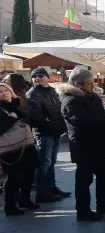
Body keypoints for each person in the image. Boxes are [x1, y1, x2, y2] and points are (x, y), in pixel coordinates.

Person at [59, 69, 105, 221]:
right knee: (84, 180)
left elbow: (98, 116)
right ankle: (83, 211)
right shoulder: (70, 100)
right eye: (90, 83)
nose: (93, 85)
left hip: (100, 144)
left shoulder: (91, 95)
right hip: (84, 146)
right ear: (78, 84)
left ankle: (104, 203)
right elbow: (82, 123)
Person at [26, 67, 71, 203]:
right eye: (34, 76)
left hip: (55, 131)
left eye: (40, 75)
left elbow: (60, 110)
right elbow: (36, 115)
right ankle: (42, 192)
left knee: (51, 162)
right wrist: (52, 125)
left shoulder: (52, 91)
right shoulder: (33, 93)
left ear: (47, 77)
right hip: (43, 132)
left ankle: (51, 187)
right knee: (44, 163)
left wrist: (61, 126)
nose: (37, 78)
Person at [0, 82, 39, 215]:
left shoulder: (18, 104)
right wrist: (11, 118)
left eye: (6, 90)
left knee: (29, 173)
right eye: (0, 92)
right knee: (13, 177)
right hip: (10, 150)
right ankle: (10, 206)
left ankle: (25, 199)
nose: (3, 93)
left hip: (26, 145)